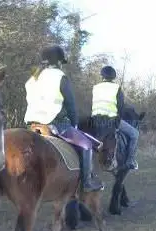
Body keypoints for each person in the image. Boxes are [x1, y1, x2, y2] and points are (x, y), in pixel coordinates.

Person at [23, 45, 103, 192]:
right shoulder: (59, 77)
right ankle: (86, 183)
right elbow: (71, 105)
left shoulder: (33, 78)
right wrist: (74, 125)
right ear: (58, 62)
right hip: (55, 123)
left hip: (31, 124)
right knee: (86, 145)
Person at [90, 65, 139, 170]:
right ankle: (130, 161)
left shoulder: (96, 88)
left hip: (95, 121)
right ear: (113, 77)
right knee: (135, 134)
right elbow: (120, 108)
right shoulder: (116, 88)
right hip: (110, 121)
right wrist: (117, 123)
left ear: (102, 76)